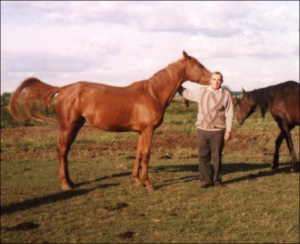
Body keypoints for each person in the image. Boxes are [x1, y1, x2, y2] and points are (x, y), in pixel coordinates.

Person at [178, 71, 234, 188]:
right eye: (214, 79)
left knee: (216, 157)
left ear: (222, 81)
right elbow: (186, 93)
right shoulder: (201, 91)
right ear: (210, 80)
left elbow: (229, 113)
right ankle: (206, 181)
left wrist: (228, 130)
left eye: (219, 80)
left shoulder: (226, 94)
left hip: (218, 131)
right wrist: (176, 83)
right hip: (202, 130)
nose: (216, 82)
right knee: (203, 156)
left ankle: (217, 180)